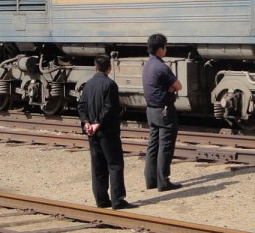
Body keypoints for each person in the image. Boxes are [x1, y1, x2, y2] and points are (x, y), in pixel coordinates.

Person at [78, 55, 135, 209]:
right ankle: (118, 200)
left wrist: (87, 123)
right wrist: (97, 122)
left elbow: (82, 106)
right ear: (109, 68)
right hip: (108, 131)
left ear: (95, 68)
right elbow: (109, 108)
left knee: (98, 165)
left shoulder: (87, 85)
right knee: (115, 164)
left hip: (92, 133)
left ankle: (101, 200)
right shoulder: (110, 85)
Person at [142, 32, 182, 192]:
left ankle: (150, 180)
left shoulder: (147, 65)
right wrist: (171, 88)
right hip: (164, 111)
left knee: (153, 145)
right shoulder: (162, 67)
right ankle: (163, 181)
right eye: (165, 47)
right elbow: (178, 86)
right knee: (165, 146)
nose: (166, 50)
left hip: (151, 111)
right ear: (160, 50)